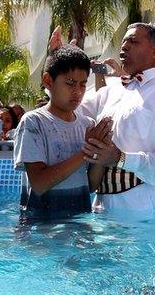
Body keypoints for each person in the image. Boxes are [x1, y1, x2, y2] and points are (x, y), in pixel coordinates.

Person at [80, 23, 155, 215]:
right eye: (123, 41)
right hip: (99, 204)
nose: (124, 46)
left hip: (142, 206)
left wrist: (121, 158)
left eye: (133, 41)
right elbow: (71, 114)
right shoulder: (109, 92)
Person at [13, 46, 110, 218]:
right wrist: (85, 151)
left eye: (82, 84)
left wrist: (99, 150)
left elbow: (91, 185)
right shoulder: (33, 122)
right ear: (48, 81)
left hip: (78, 223)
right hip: (41, 226)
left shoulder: (87, 124)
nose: (78, 92)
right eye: (70, 83)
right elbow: (40, 184)